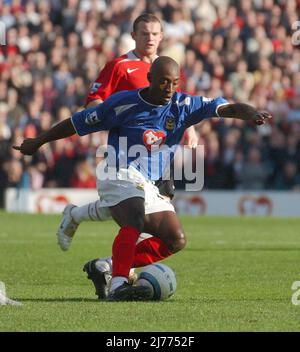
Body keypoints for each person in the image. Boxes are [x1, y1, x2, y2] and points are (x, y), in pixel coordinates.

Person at [14, 56, 271, 301]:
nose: (169, 88)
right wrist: (39, 141)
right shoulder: (123, 103)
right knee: (134, 217)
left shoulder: (184, 106)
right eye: (163, 81)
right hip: (117, 169)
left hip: (148, 181)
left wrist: (250, 114)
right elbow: (76, 123)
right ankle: (118, 284)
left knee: (175, 239)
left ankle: (108, 265)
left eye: (174, 82)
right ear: (149, 78)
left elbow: (227, 107)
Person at [56, 13, 199, 252]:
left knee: (155, 204)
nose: (150, 38)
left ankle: (77, 216)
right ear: (133, 36)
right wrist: (107, 116)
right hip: (128, 151)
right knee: (136, 211)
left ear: (162, 36)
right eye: (144, 34)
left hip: (160, 149)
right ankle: (123, 268)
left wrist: (191, 130)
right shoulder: (119, 66)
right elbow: (94, 101)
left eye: (154, 34)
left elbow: (179, 103)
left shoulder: (165, 68)